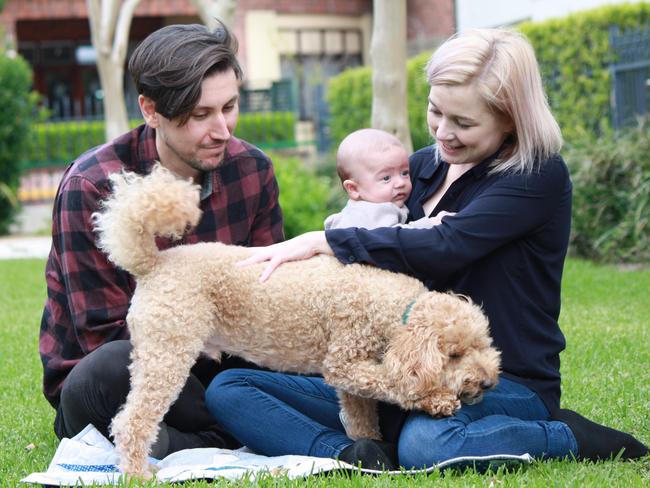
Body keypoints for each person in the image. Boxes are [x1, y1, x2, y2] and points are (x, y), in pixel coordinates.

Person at [205, 29, 648, 469]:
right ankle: (354, 454)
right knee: (231, 388)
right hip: (398, 375)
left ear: (511, 118)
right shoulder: (418, 168)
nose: (443, 133)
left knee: (428, 445)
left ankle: (566, 434)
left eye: (464, 123)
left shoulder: (535, 176)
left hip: (498, 380)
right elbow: (372, 230)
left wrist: (325, 239)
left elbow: (444, 245)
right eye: (436, 111)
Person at [39, 23, 284, 458]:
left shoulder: (252, 170)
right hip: (132, 371)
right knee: (106, 371)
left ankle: (203, 439)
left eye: (229, 107)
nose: (223, 130)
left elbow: (267, 295)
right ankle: (241, 429)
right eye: (199, 115)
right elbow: (104, 331)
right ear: (150, 110)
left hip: (227, 365)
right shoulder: (93, 186)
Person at [324, 128, 438, 230]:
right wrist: (429, 224)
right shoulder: (373, 213)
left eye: (404, 173)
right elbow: (393, 239)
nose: (400, 183)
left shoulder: (363, 208)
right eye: (386, 178)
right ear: (354, 189)